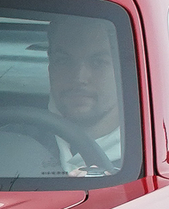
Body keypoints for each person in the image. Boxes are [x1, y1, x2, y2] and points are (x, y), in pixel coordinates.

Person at [43, 16, 129, 175]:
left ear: (123, 68)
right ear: (50, 65)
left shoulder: (151, 153)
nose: (79, 78)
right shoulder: (11, 142)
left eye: (98, 62)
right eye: (64, 61)